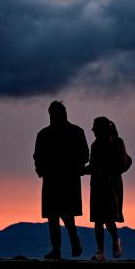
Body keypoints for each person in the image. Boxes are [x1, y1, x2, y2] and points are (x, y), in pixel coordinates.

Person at [33, 101, 88, 259]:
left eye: (57, 113)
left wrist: (75, 167)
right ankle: (57, 249)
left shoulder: (76, 132)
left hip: (67, 179)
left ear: (63, 113)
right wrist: (40, 169)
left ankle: (72, 242)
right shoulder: (44, 134)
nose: (55, 116)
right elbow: (38, 155)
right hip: (53, 179)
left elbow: (85, 154)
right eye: (53, 113)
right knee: (53, 216)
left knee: (66, 214)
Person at [84, 116, 132, 261]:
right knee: (98, 220)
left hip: (111, 186)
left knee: (109, 218)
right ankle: (100, 251)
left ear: (101, 129)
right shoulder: (95, 145)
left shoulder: (118, 143)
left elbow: (125, 163)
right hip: (98, 184)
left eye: (95, 128)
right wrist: (81, 171)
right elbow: (92, 165)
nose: (93, 131)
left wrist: (112, 174)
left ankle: (116, 240)